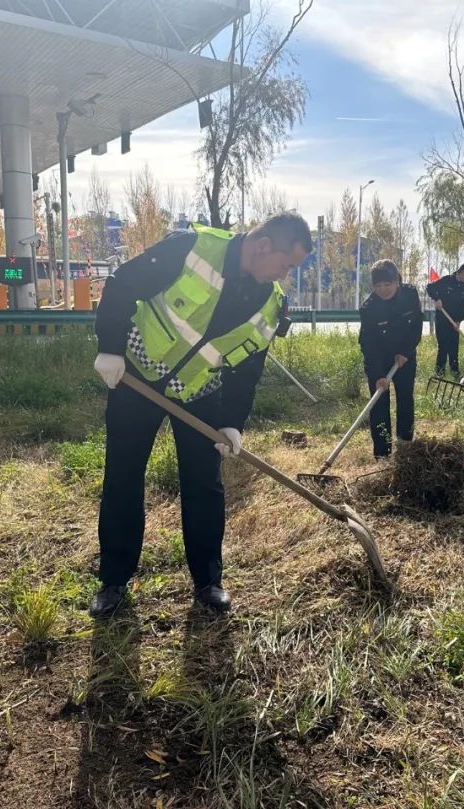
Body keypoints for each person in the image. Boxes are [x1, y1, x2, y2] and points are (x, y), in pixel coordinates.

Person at [88, 212, 311, 616]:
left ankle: (208, 581)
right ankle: (113, 582)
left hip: (198, 392)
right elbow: (123, 285)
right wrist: (110, 346)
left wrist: (231, 421)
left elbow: (247, 371)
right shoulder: (191, 248)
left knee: (204, 485)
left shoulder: (269, 305)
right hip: (137, 375)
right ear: (263, 246)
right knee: (123, 476)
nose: (284, 275)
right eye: (286, 264)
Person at [358, 259, 422, 459]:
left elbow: (417, 326)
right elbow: (368, 343)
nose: (383, 290)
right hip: (379, 357)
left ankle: (405, 447)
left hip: (405, 356)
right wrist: (378, 374)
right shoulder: (369, 308)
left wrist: (405, 351)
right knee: (379, 405)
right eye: (378, 286)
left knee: (405, 400)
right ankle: (382, 454)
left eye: (388, 284)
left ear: (397, 281)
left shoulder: (410, 295)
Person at [426, 261, 464, 377]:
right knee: (443, 346)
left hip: (454, 322)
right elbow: (430, 287)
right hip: (442, 319)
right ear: (462, 272)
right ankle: (440, 371)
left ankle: (455, 370)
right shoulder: (446, 280)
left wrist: (459, 320)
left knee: (454, 346)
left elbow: (463, 307)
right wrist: (437, 299)